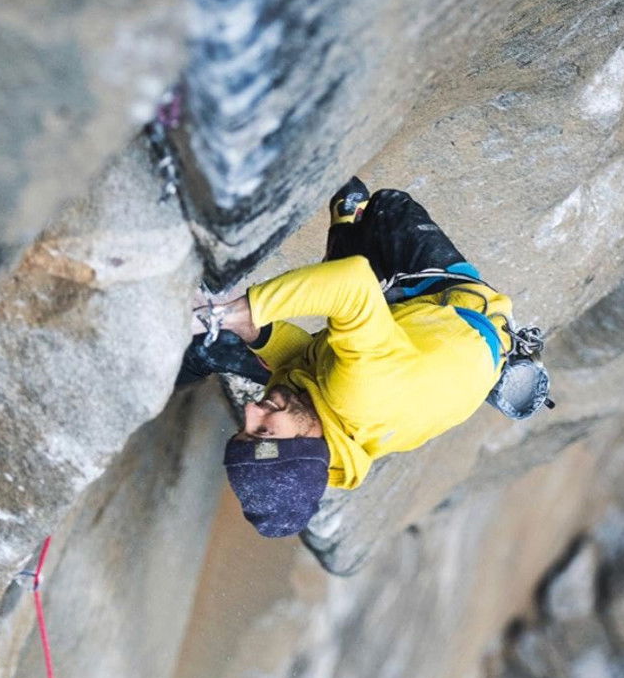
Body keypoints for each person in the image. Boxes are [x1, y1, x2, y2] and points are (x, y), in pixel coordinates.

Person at [180, 180, 551, 537]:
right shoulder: (360, 393)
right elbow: (353, 284)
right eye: (262, 430)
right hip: (457, 313)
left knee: (225, 347)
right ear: (306, 444)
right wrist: (240, 311)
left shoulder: (328, 453)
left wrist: (249, 330)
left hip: (419, 375)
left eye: (246, 430)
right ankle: (350, 231)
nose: (250, 412)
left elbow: (301, 362)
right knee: (387, 208)